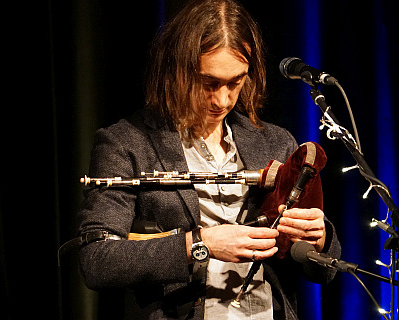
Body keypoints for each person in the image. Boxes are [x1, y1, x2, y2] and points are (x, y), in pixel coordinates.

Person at [77, 0, 341, 319]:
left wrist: (318, 237)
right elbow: (98, 262)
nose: (222, 99)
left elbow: (322, 271)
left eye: (235, 82)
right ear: (177, 69)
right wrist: (199, 244)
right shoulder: (127, 143)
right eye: (209, 83)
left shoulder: (274, 141)